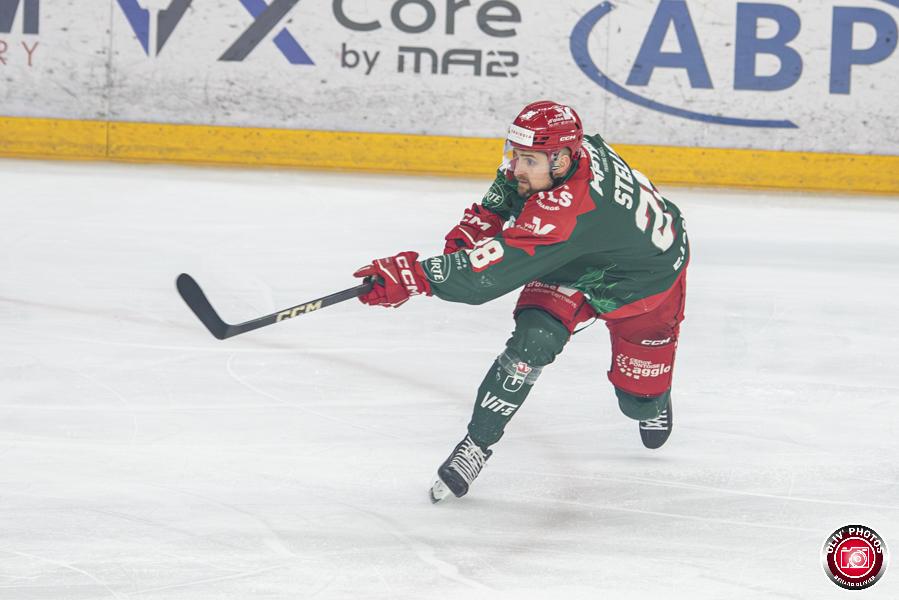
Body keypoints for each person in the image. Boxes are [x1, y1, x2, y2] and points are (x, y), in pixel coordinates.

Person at [352, 101, 690, 503]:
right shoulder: (563, 159)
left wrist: (413, 276)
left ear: (561, 160)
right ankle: (477, 444)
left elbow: (482, 280)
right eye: (515, 154)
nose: (516, 168)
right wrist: (461, 245)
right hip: (574, 259)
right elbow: (497, 205)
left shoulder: (566, 213)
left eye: (528, 160)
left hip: (644, 281)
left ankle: (652, 399)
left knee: (638, 405)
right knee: (534, 340)